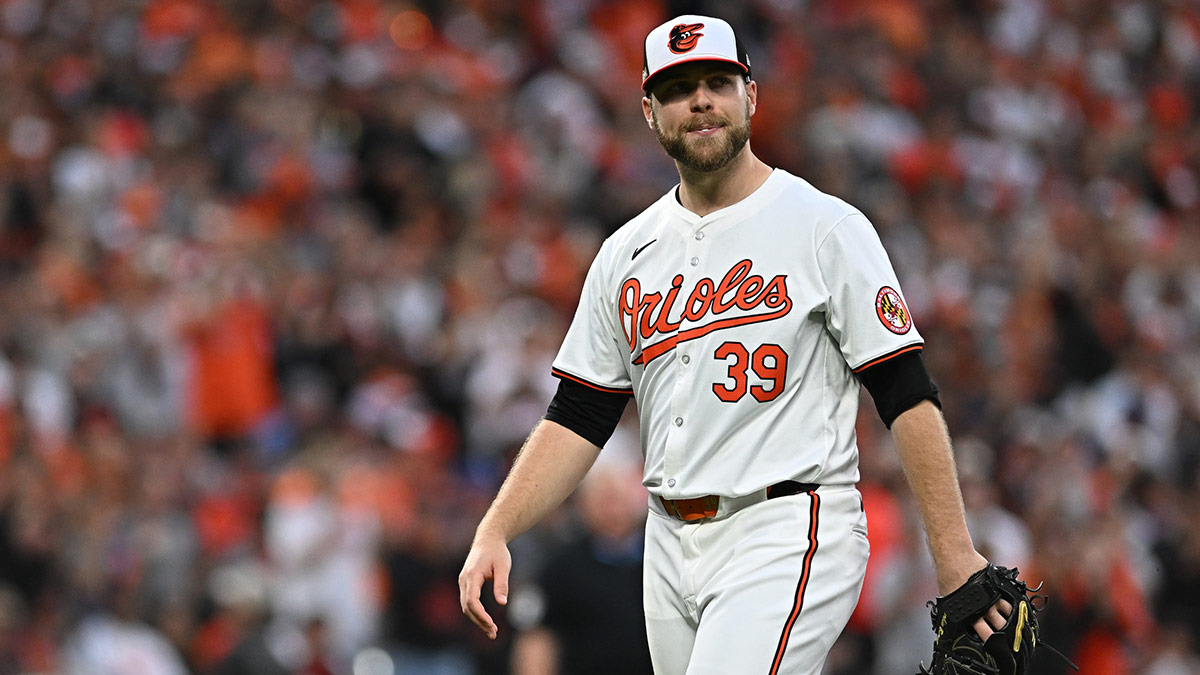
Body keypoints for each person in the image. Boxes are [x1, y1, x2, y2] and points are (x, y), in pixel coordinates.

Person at [459, 14, 1013, 674]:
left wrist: (952, 553)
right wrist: (496, 526)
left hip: (787, 524)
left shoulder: (823, 227)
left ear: (751, 94)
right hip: (664, 541)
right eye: (677, 87)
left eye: (717, 82)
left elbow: (906, 392)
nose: (699, 100)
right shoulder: (625, 255)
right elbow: (579, 414)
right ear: (648, 110)